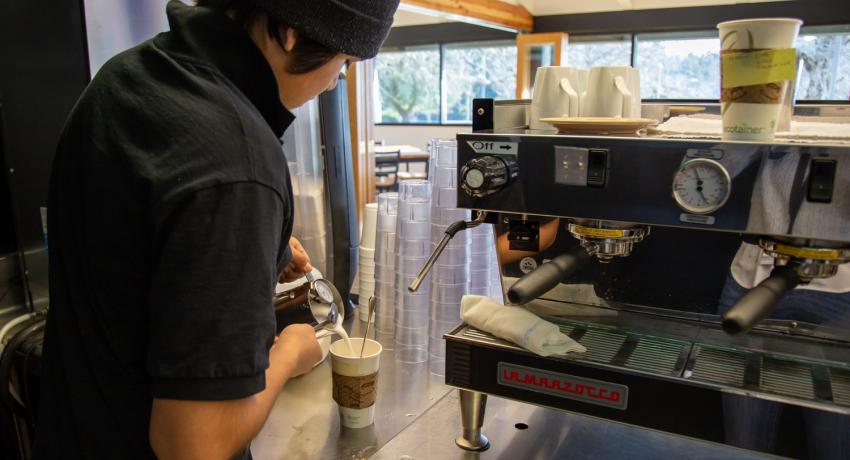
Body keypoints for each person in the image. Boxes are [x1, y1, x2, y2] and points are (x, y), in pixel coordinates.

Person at [34, 0, 399, 458]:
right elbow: (193, 444)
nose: (332, 83)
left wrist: (259, 245)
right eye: (343, 62)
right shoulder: (237, 160)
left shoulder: (125, 77)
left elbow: (139, 238)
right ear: (290, 32)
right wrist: (289, 353)